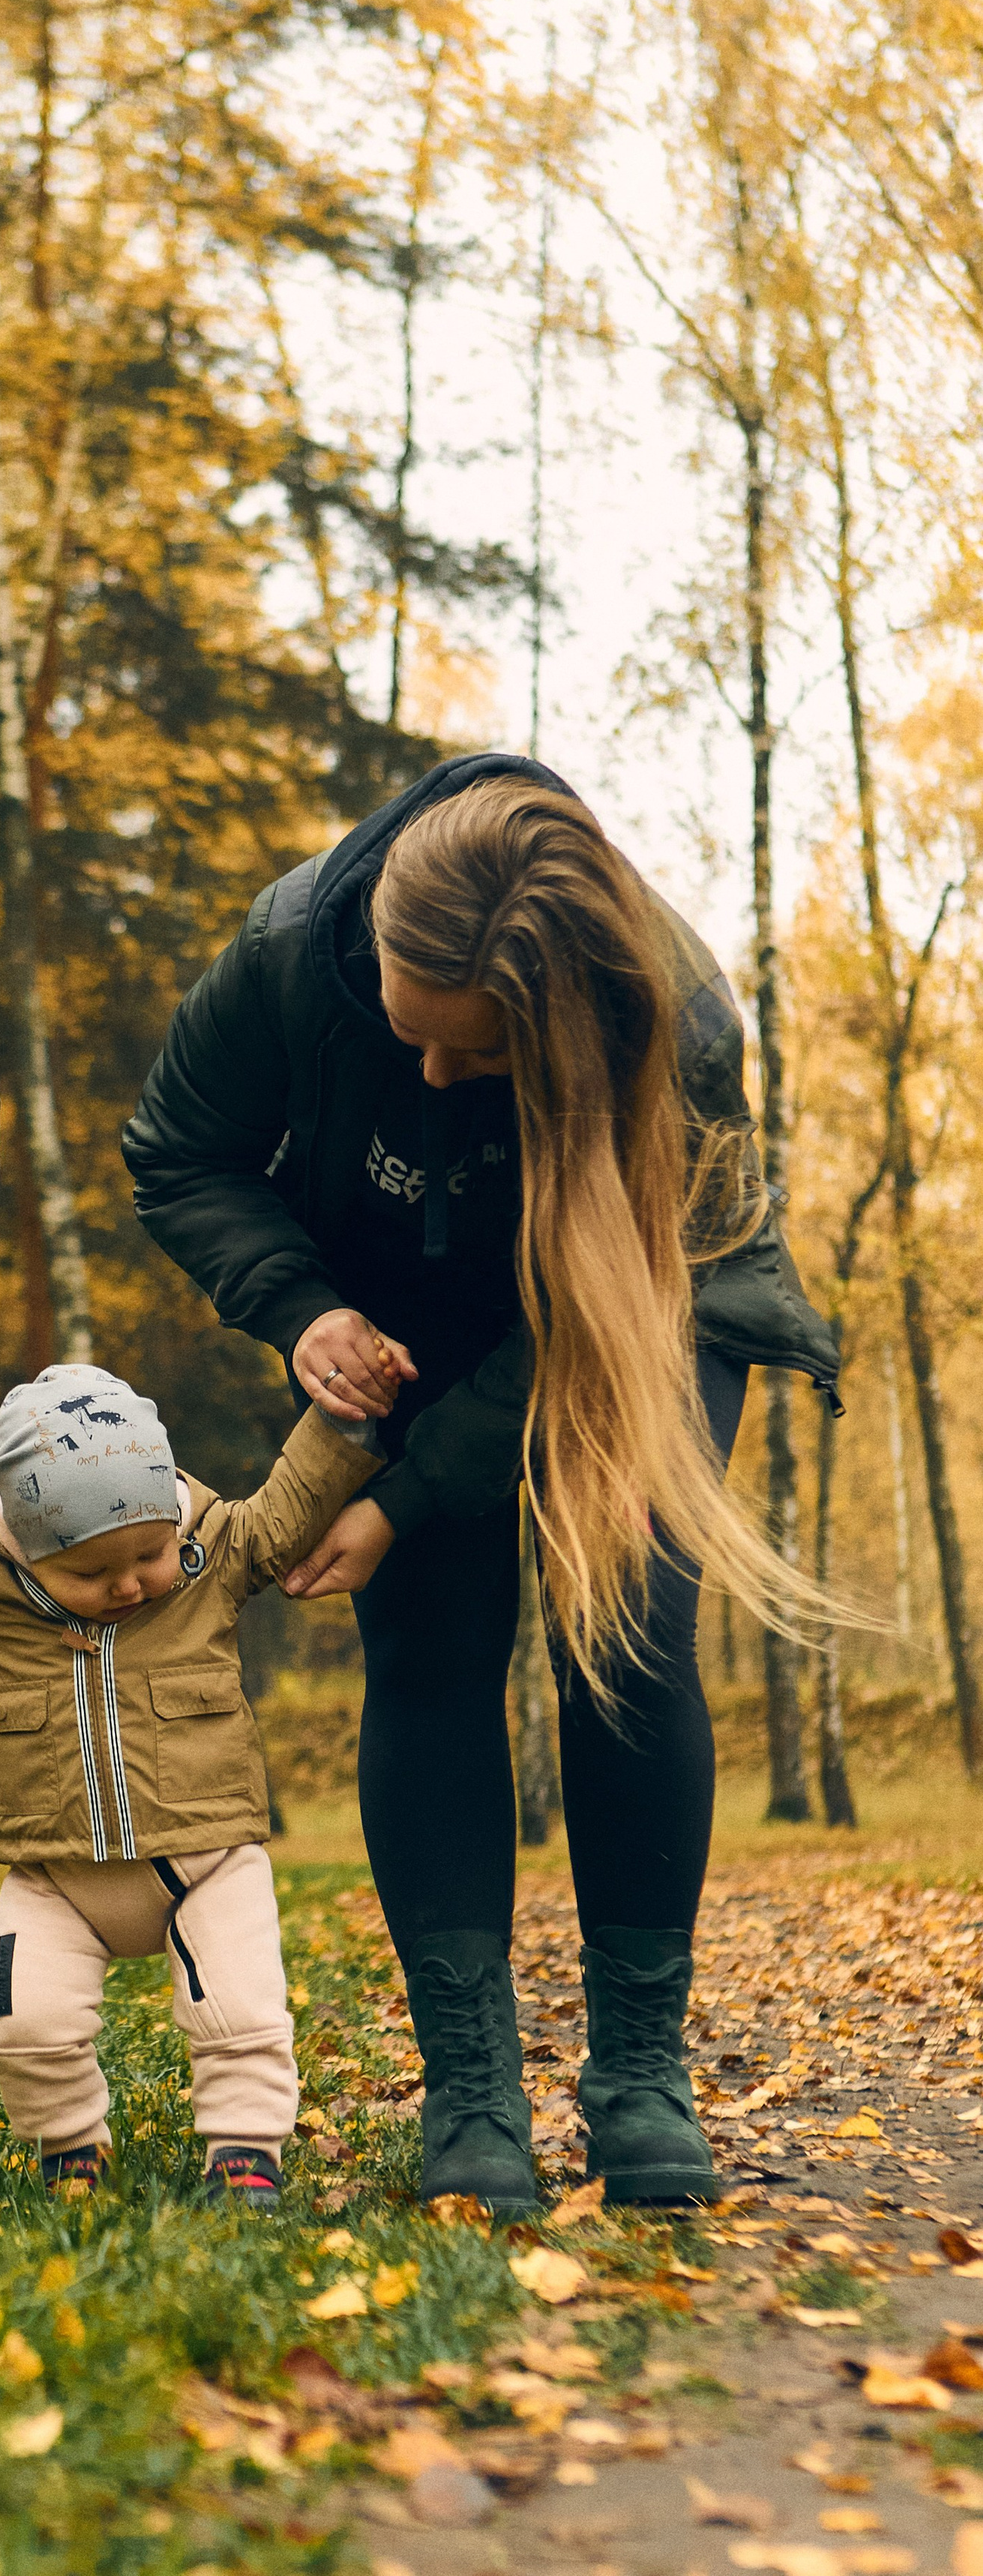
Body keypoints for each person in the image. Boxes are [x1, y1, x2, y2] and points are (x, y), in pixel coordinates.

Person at [122, 758, 843, 2214]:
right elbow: (178, 1152)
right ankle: (471, 2084)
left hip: (638, 1306)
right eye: (416, 1039)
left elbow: (598, 1320)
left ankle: (637, 2069)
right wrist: (296, 1305)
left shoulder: (671, 1016)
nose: (437, 1079)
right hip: (392, 1316)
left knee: (629, 1634)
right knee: (433, 1643)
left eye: (481, 1057)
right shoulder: (281, 958)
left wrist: (396, 1497)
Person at [0, 1363, 379, 2210]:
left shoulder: (210, 1554)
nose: (128, 1584)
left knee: (240, 2014)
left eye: (149, 1555)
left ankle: (244, 2159)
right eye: (92, 1573)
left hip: (208, 1861)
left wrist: (342, 1424)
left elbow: (289, 1504)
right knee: (26, 2029)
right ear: (23, 1543)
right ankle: (71, 2155)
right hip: (53, 1875)